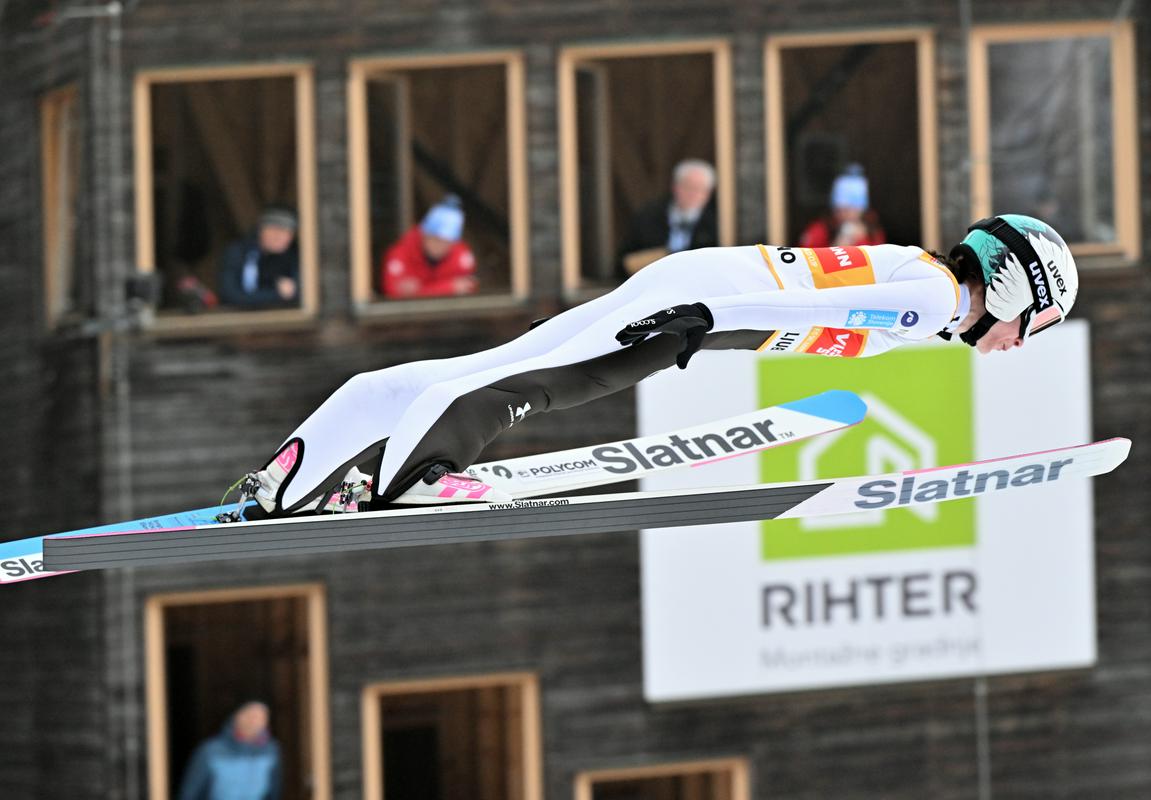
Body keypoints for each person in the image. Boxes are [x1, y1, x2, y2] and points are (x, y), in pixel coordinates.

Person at [238, 214, 1078, 517]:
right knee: (555, 380)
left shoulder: (925, 282)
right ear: (1013, 287)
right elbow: (800, 311)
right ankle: (414, 475)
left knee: (517, 363)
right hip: (704, 302)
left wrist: (707, 315)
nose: (1015, 345)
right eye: (1029, 326)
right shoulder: (931, 300)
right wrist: (705, 319)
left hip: (702, 295)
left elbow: (805, 304)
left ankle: (289, 478)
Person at [617, 159, 718, 276]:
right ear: (675, 187)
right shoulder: (648, 217)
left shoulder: (718, 222)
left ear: (709, 193)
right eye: (688, 187)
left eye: (700, 189)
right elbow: (624, 261)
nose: (693, 194)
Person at [177, 701, 282, 800]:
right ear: (236, 716)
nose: (253, 721)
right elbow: (189, 793)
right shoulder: (210, 751)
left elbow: (274, 790)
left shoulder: (271, 750)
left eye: (261, 717)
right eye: (249, 715)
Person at [380, 195, 478, 299]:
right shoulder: (401, 254)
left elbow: (469, 289)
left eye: (447, 241)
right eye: (435, 238)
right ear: (424, 235)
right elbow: (393, 292)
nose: (440, 246)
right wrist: (449, 287)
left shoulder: (461, 256)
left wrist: (420, 291)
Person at [217, 207, 300, 309]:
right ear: (261, 230)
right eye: (277, 231)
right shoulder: (239, 252)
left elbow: (300, 292)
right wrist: (277, 294)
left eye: (289, 233)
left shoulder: (292, 254)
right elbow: (230, 294)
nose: (283, 238)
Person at [799, 164, 886, 248]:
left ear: (861, 209)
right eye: (839, 209)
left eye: (850, 209)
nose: (844, 214)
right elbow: (804, 254)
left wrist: (860, 240)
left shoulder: (872, 232)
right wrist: (839, 244)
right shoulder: (820, 230)